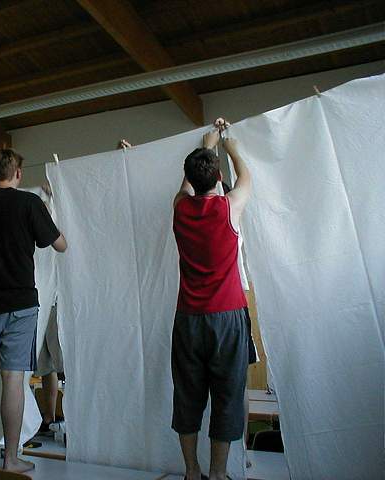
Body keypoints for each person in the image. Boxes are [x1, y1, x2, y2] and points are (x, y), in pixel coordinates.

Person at [0, 149, 67, 473]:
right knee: (13, 380)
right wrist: (47, 204)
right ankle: (10, 459)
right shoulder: (29, 204)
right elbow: (59, 244)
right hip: (19, 304)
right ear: (18, 172)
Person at [171, 118, 252, 480]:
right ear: (219, 178)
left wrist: (206, 145)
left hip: (188, 318)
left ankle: (192, 472)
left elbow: (187, 186)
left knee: (187, 396)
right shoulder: (228, 207)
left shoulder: (180, 207)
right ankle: (217, 474)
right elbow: (246, 177)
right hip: (227, 317)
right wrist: (229, 146)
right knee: (227, 396)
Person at [35, 303, 65, 432]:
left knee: (63, 365)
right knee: (45, 366)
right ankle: (49, 417)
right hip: (40, 306)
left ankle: (71, 417)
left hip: (58, 305)